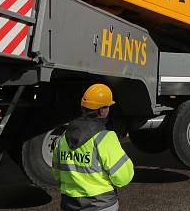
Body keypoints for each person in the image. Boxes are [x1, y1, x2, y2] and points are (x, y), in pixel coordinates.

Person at [52, 83, 134, 211]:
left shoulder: (63, 137)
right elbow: (123, 177)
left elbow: (57, 173)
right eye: (108, 106)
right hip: (100, 204)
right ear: (102, 110)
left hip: (69, 204)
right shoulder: (104, 138)